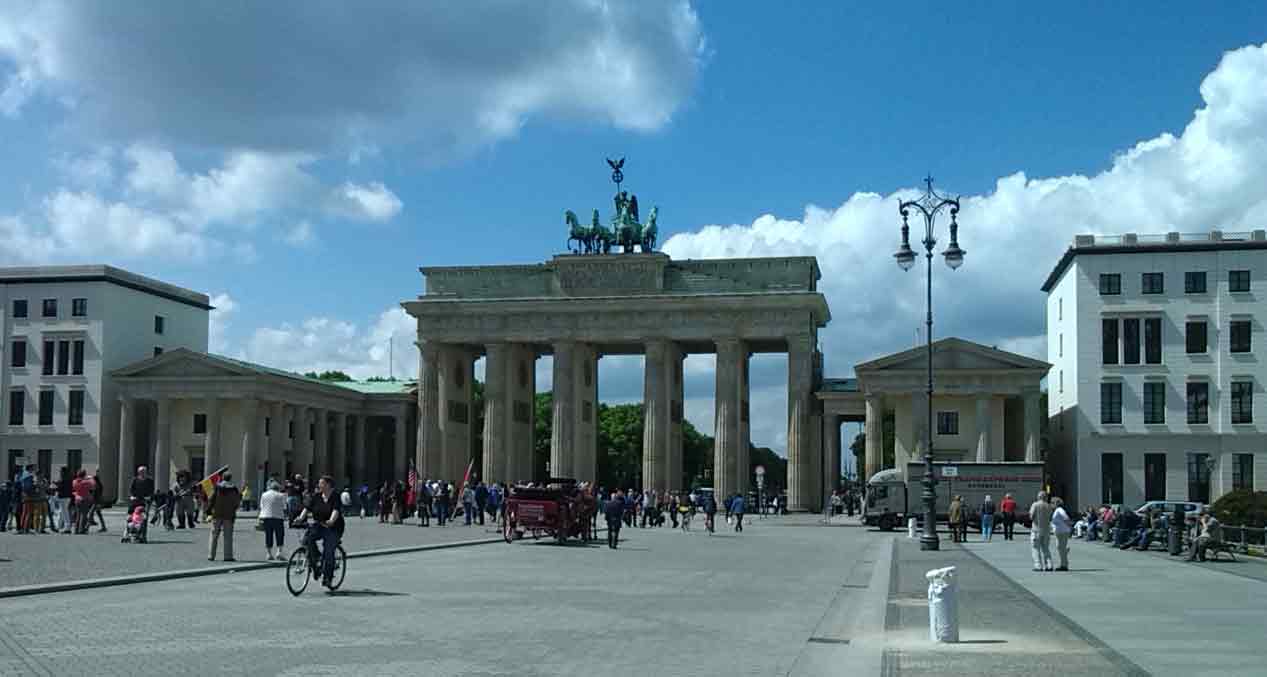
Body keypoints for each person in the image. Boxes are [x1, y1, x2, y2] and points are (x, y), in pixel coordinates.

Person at [294, 475, 344, 587]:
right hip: (320, 524)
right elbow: (307, 508)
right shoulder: (316, 496)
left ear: (328, 485)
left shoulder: (335, 497)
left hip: (334, 527)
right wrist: (300, 518)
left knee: (328, 551)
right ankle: (316, 559)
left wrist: (331, 520)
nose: (319, 485)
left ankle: (328, 577)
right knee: (307, 539)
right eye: (319, 483)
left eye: (321, 483)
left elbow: (336, 510)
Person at [207, 471, 242, 562]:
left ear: (223, 478)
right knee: (228, 536)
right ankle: (227, 556)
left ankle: (211, 555)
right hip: (229, 515)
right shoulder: (234, 489)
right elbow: (237, 502)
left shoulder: (217, 487)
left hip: (217, 514)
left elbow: (211, 500)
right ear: (230, 478)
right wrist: (234, 508)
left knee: (214, 535)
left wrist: (209, 511)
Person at [259, 479, 287, 561]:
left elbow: (262, 506)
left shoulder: (264, 495)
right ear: (278, 488)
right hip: (278, 517)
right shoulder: (282, 495)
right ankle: (279, 552)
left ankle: (269, 553)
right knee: (280, 535)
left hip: (266, 517)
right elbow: (284, 507)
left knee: (268, 535)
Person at [1029, 492, 1054, 572]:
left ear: (1038, 497)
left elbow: (1031, 516)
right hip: (1046, 530)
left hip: (1036, 530)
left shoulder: (1035, 505)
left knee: (1036, 548)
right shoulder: (1048, 506)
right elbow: (1050, 517)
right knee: (1046, 548)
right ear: (1045, 497)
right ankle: (1049, 565)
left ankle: (1038, 566)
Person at [1051, 497, 1072, 571]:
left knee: (1061, 548)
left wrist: (1069, 527)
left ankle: (1064, 565)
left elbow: (1066, 518)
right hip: (1060, 532)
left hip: (1062, 532)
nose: (1051, 505)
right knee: (1060, 548)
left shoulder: (1059, 510)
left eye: (1052, 503)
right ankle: (1064, 563)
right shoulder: (1057, 510)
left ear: (1056, 503)